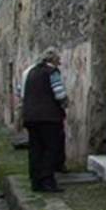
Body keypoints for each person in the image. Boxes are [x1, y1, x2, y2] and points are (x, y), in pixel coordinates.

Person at [21, 48, 69, 192]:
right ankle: (47, 181)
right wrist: (66, 102)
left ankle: (35, 182)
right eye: (58, 59)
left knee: (35, 149)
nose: (59, 62)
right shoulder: (52, 72)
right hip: (49, 117)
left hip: (30, 116)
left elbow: (20, 91)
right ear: (52, 60)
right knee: (50, 148)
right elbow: (59, 94)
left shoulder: (30, 72)